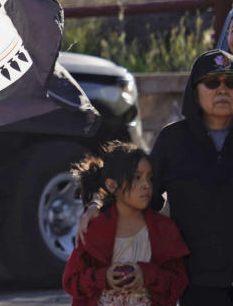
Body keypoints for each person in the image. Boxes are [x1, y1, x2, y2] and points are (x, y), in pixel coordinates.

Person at [78, 49, 233, 306]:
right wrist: (96, 204)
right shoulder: (174, 140)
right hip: (195, 278)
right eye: (212, 82)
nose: (222, 90)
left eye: (231, 82)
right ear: (195, 91)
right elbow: (136, 187)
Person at [63, 141, 189, 306]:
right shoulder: (94, 228)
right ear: (111, 185)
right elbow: (72, 281)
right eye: (137, 177)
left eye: (149, 178)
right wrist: (103, 277)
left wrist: (147, 275)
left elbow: (178, 282)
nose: (146, 185)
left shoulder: (164, 229)